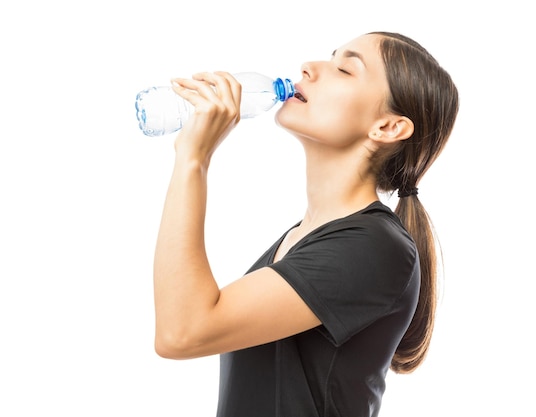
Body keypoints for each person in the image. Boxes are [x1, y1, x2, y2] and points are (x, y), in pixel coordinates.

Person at [153, 31, 459, 417]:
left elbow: (182, 332)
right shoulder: (304, 240)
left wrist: (193, 159)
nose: (308, 68)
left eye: (345, 69)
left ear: (387, 128)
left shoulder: (373, 247)